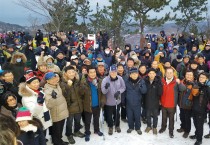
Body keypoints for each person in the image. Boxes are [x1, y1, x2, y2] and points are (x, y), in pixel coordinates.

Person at [80, 66, 106, 142]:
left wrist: (102, 101)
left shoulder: (99, 81)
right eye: (90, 72)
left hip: (97, 104)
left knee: (96, 118)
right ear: (87, 73)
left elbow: (103, 93)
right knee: (87, 120)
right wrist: (83, 87)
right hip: (88, 105)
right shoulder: (84, 82)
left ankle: (96, 130)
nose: (92, 74)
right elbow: (81, 93)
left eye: (94, 72)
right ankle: (87, 132)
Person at [60, 66, 84, 144]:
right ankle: (69, 134)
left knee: (77, 120)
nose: (71, 74)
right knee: (69, 122)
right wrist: (68, 86)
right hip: (69, 106)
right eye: (69, 72)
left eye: (73, 72)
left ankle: (76, 131)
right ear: (66, 74)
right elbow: (64, 95)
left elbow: (81, 93)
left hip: (78, 104)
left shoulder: (77, 81)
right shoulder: (63, 83)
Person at [159, 67, 185, 138]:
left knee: (171, 119)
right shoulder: (162, 81)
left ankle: (171, 130)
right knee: (163, 117)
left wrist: (179, 83)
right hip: (163, 103)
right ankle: (163, 127)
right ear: (165, 73)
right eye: (168, 72)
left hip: (172, 104)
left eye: (171, 73)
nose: (169, 74)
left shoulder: (176, 81)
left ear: (173, 73)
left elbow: (183, 88)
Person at [44, 72, 69, 145]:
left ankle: (59, 140)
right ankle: (57, 142)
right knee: (56, 131)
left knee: (60, 129)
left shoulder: (57, 85)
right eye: (51, 79)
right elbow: (48, 105)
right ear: (47, 81)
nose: (54, 80)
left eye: (55, 77)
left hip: (62, 111)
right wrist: (53, 98)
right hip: (56, 114)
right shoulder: (47, 90)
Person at [101, 65, 126, 135]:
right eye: (112, 72)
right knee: (109, 116)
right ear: (109, 72)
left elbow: (123, 87)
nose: (113, 73)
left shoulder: (120, 78)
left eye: (115, 72)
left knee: (117, 114)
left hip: (117, 102)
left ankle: (117, 125)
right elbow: (103, 91)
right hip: (108, 102)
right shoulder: (105, 80)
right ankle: (110, 126)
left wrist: (119, 91)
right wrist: (106, 87)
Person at [122, 67, 147, 135]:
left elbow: (144, 91)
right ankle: (130, 127)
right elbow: (124, 92)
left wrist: (141, 87)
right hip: (128, 103)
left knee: (137, 116)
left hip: (137, 102)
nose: (134, 75)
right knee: (129, 116)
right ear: (130, 75)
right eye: (132, 74)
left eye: (135, 74)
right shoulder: (126, 81)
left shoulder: (141, 81)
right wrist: (123, 101)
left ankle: (138, 128)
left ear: (138, 74)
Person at [189, 72, 210, 145]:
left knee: (199, 125)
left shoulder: (207, 88)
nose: (201, 78)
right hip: (194, 108)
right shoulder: (196, 85)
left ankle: (199, 139)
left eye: (203, 77)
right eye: (200, 77)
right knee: (195, 123)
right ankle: (196, 134)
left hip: (201, 110)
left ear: (206, 79)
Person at [177, 70, 198, 138]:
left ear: (193, 76)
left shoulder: (195, 84)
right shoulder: (182, 81)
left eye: (190, 75)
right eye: (187, 74)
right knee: (182, 116)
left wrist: (193, 86)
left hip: (188, 105)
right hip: (181, 103)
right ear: (185, 75)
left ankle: (187, 131)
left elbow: (195, 94)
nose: (188, 76)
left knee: (187, 118)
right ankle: (182, 127)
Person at [144, 68, 163, 135]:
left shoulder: (158, 82)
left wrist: (159, 84)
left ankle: (154, 127)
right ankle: (149, 126)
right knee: (148, 115)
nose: (151, 75)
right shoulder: (145, 81)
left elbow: (160, 93)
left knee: (155, 115)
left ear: (155, 74)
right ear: (148, 74)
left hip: (155, 101)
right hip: (147, 101)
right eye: (150, 73)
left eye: (153, 73)